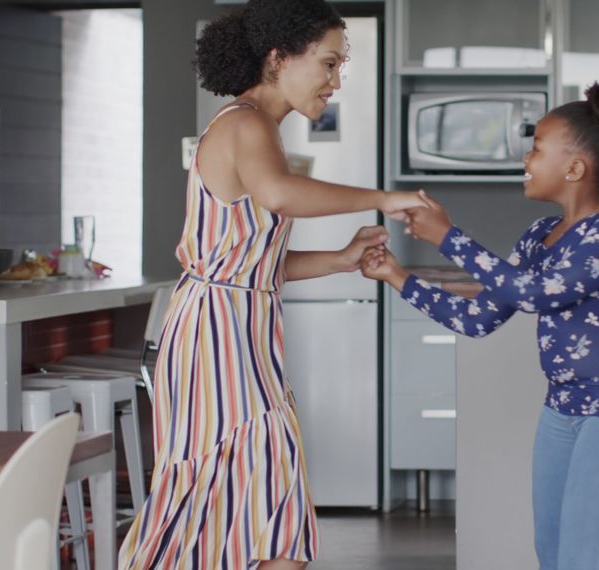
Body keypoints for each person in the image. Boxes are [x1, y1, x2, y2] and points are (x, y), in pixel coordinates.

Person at [118, 1, 422, 568]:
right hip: (215, 337)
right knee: (248, 493)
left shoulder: (258, 128)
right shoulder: (244, 123)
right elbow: (280, 196)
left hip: (236, 328)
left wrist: (338, 258)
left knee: (253, 501)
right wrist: (383, 197)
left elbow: (248, 263)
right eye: (328, 64)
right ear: (279, 59)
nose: (336, 81)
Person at [362, 83, 599, 570]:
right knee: (553, 559)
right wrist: (395, 276)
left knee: (582, 564)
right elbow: (478, 319)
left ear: (574, 168)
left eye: (537, 147)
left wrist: (448, 237)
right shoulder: (537, 236)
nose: (525, 156)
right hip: (562, 409)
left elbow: (535, 294)